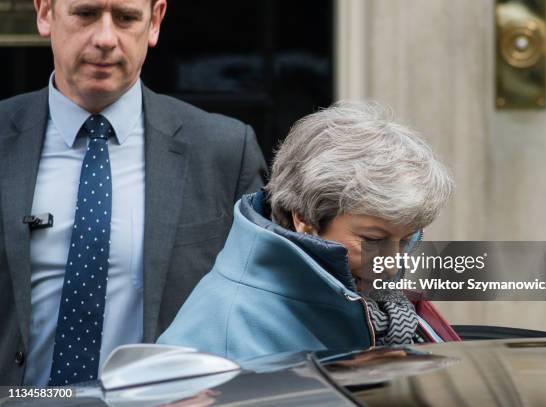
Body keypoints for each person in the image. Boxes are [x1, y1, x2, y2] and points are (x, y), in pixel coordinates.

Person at [0, 0, 266, 386]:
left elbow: (260, 306)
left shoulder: (224, 151)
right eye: (86, 14)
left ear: (154, 22)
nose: (106, 38)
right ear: (45, 14)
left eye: (125, 18)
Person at [158, 101, 459, 363]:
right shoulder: (222, 331)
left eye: (406, 240)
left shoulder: (381, 298)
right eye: (374, 239)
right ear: (303, 217)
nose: (391, 263)